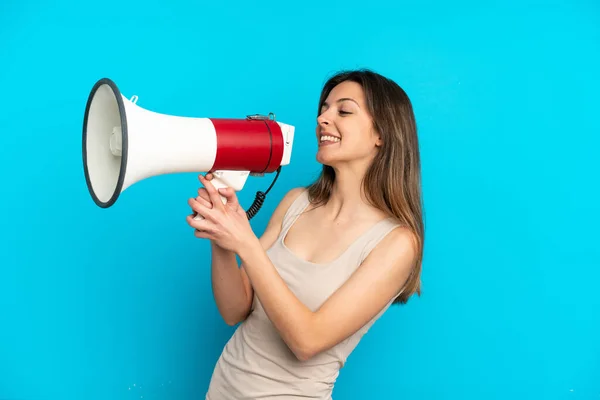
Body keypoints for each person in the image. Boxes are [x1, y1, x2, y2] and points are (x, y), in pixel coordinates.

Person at [186, 68, 425, 399]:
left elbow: (306, 341)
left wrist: (245, 241)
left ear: (381, 134)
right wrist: (221, 233)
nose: (323, 119)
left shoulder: (396, 243)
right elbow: (234, 310)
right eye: (323, 109)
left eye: (343, 110)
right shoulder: (296, 202)